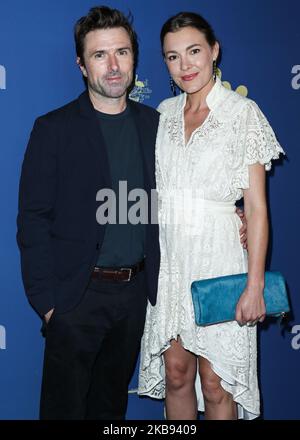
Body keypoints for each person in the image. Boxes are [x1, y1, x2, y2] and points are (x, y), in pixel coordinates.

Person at [16, 6, 160, 420]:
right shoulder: (53, 128)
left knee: (110, 411)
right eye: (100, 55)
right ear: (81, 64)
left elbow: (183, 195)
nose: (113, 65)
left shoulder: (156, 126)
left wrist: (234, 216)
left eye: (122, 52)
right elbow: (33, 218)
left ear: (134, 58)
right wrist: (49, 305)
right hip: (76, 298)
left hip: (135, 297)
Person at [138, 12, 284, 420]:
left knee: (217, 383)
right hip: (170, 262)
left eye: (194, 51)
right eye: (172, 56)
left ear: (214, 51)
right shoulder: (161, 114)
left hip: (218, 258)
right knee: (177, 373)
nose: (185, 65)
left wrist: (254, 285)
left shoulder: (242, 114)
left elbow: (255, 208)